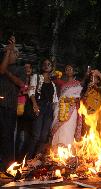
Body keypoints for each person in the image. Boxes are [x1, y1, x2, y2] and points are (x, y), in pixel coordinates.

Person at [0, 36, 24, 169]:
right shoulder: (2, 64)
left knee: (8, 136)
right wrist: (8, 50)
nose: (11, 54)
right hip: (0, 105)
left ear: (18, 56)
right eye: (10, 52)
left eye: (14, 52)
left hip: (10, 106)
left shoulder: (19, 69)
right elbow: (2, 70)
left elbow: (21, 83)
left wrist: (8, 73)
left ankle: (7, 165)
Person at [27, 59, 58, 159]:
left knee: (44, 136)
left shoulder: (53, 83)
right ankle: (28, 160)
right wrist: (35, 105)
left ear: (52, 67)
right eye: (44, 64)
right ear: (41, 66)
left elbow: (55, 99)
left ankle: (36, 160)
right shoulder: (36, 77)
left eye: (49, 64)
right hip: (40, 106)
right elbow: (31, 91)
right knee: (36, 135)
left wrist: (55, 112)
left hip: (49, 109)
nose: (46, 65)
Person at [51, 64, 83, 147]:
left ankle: (67, 148)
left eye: (70, 69)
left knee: (69, 127)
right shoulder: (62, 83)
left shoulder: (78, 84)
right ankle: (57, 150)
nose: (68, 70)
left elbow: (79, 97)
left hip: (72, 109)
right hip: (61, 108)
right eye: (67, 69)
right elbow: (60, 97)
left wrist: (72, 100)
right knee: (60, 128)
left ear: (74, 72)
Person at [81, 69, 101, 142]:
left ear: (98, 80)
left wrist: (100, 75)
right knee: (87, 134)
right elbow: (82, 102)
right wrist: (87, 89)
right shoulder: (86, 89)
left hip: (98, 116)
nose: (92, 78)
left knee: (99, 134)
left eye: (94, 77)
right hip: (88, 116)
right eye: (91, 77)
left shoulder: (100, 90)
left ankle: (100, 150)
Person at [15, 62, 33, 160]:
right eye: (25, 67)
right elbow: (13, 93)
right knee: (19, 135)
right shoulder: (18, 80)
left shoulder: (34, 81)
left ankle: (24, 158)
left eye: (29, 67)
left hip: (29, 111)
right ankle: (16, 158)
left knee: (28, 136)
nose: (27, 69)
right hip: (19, 109)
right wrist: (24, 92)